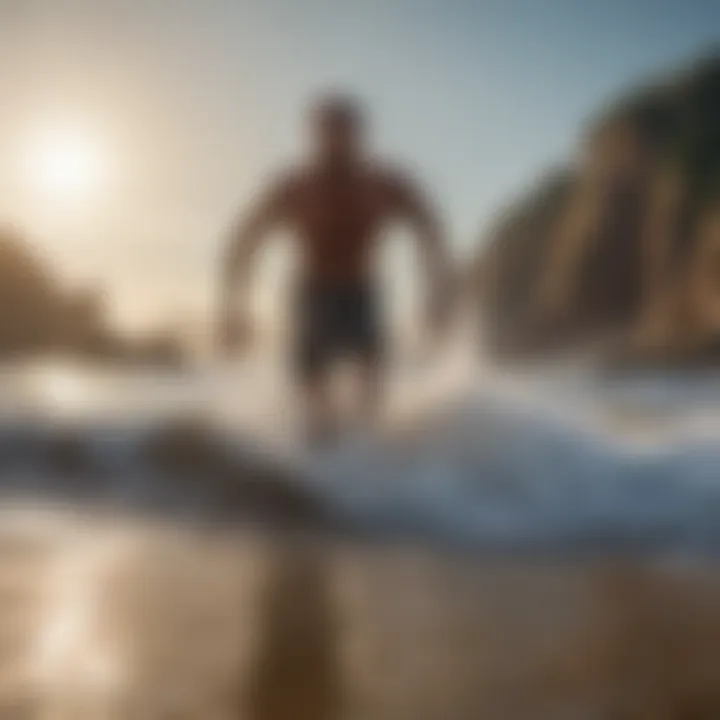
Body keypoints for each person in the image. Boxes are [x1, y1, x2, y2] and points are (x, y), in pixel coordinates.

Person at [218, 94, 450, 444]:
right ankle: (319, 473)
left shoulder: (385, 186)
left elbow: (430, 232)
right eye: (327, 132)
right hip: (311, 294)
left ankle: (369, 482)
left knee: (372, 400)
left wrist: (437, 295)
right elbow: (243, 244)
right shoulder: (294, 187)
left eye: (345, 132)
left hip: (362, 294)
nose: (337, 141)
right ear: (313, 135)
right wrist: (234, 308)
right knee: (317, 409)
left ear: (360, 135)